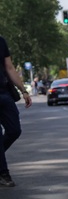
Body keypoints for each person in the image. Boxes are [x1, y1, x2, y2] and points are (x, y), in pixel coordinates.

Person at [0, 36, 32, 187]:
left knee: (14, 130)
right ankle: (3, 174)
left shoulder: (1, 41)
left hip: (4, 94)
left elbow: (9, 67)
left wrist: (23, 90)